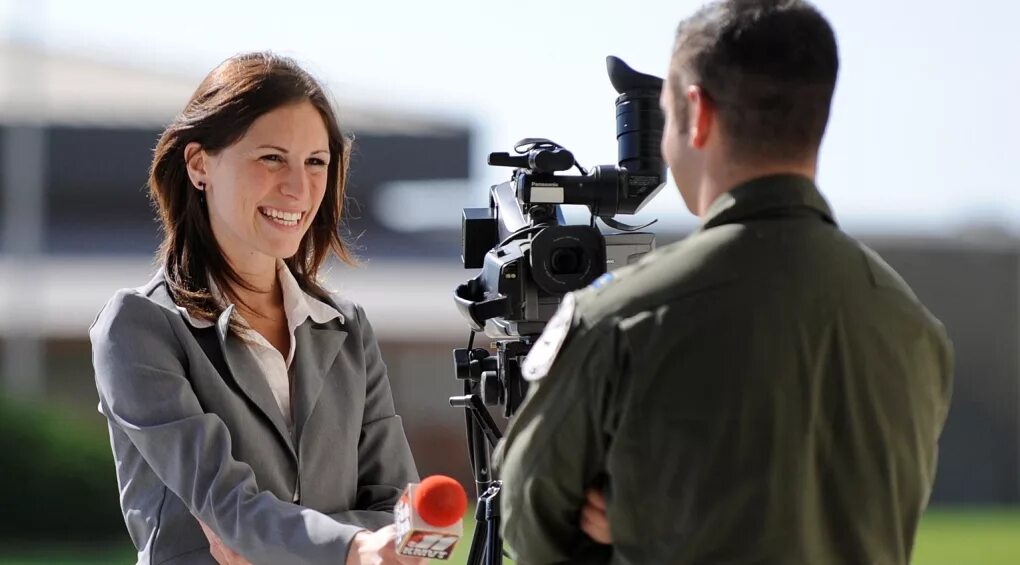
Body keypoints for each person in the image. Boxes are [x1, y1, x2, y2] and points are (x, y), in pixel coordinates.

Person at [495, 1, 954, 564]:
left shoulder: (622, 319)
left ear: (698, 112)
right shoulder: (912, 327)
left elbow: (531, 527)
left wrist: (643, 522)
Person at [90, 52, 425, 565]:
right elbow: (228, 506)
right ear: (200, 164)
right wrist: (354, 546)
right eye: (272, 158)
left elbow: (400, 513)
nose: (298, 187)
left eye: (316, 162)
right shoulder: (137, 327)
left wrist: (281, 544)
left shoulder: (346, 328)